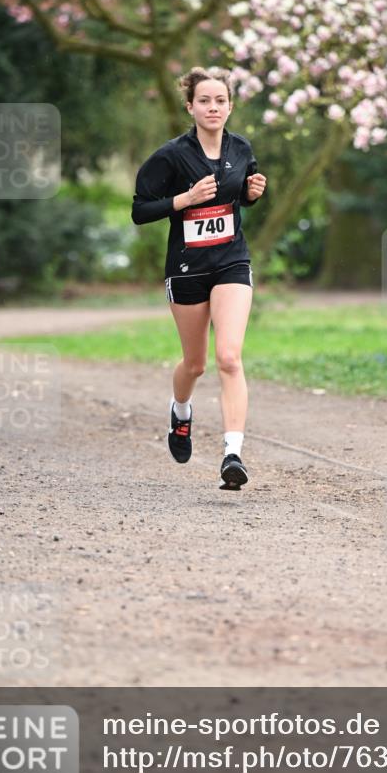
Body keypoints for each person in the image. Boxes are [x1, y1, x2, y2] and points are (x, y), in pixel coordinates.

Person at [132, 67, 267, 489]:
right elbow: (140, 210)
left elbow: (239, 194)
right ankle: (181, 412)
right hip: (187, 268)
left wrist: (251, 194)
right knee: (195, 364)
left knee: (229, 357)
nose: (213, 108)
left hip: (231, 262)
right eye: (204, 101)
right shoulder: (171, 156)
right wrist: (185, 199)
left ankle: (232, 454)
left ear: (230, 106)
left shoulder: (241, 148)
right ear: (190, 106)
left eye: (220, 101)